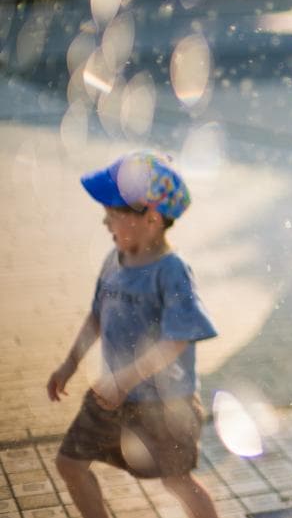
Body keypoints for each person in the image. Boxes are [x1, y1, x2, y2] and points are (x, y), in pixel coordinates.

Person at [46, 151, 219, 518]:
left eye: (113, 213)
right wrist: (68, 365)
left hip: (165, 406)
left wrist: (126, 378)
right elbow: (96, 317)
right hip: (113, 396)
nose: (105, 221)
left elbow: (177, 340)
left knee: (176, 482)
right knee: (69, 463)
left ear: (152, 219)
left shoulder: (171, 271)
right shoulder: (114, 259)